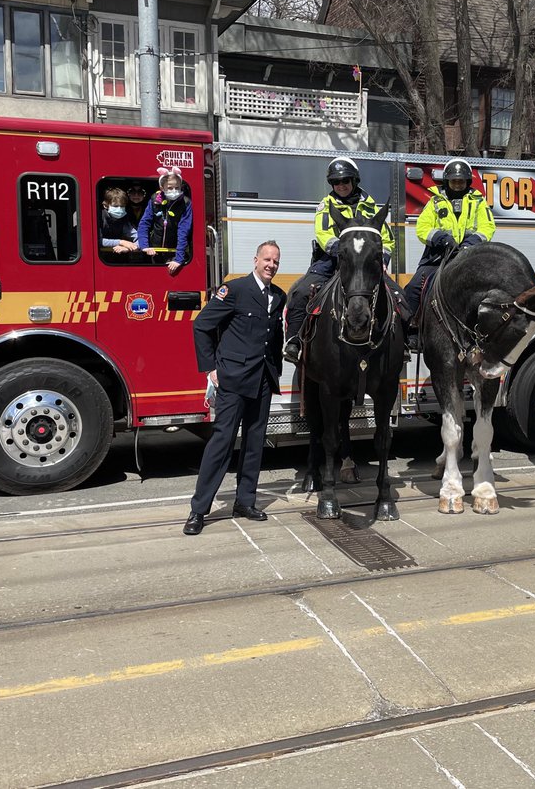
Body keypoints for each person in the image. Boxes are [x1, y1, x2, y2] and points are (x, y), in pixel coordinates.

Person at [184, 241, 286, 536]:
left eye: (276, 261)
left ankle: (245, 501)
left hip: (263, 380)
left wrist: (275, 370)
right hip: (234, 378)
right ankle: (199, 510)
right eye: (267, 259)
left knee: (255, 444)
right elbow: (202, 325)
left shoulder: (278, 296)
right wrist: (210, 369)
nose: (271, 265)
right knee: (222, 444)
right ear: (255, 260)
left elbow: (273, 338)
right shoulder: (235, 290)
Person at [283, 156, 396, 364]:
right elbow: (323, 233)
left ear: (355, 180)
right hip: (331, 259)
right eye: (336, 182)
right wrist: (342, 250)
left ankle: (404, 341)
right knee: (301, 293)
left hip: (366, 263)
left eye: (345, 181)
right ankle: (294, 342)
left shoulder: (371, 206)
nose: (341, 185)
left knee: (398, 294)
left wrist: (384, 260)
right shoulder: (326, 205)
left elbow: (386, 238)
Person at [402, 157, 495, 350]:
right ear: (447, 182)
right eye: (454, 181)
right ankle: (411, 332)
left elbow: (487, 226)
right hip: (438, 257)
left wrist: (470, 244)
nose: (458, 184)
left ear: (467, 182)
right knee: (413, 289)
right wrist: (441, 239)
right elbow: (422, 227)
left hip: (469, 257)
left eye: (461, 181)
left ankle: (484, 333)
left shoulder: (478, 202)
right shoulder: (436, 201)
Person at [138, 166, 193, 275]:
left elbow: (184, 230)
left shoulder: (186, 203)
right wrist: (145, 246)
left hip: (175, 250)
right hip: (154, 250)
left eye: (177, 188)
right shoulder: (154, 200)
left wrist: (179, 258)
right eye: (170, 188)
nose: (174, 191)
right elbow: (144, 224)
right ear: (162, 187)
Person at [99, 187, 139, 255]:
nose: (119, 209)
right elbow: (96, 241)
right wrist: (122, 242)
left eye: (122, 206)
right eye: (115, 206)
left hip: (117, 255)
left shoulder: (123, 218)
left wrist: (129, 248)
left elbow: (137, 236)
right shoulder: (99, 217)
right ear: (105, 205)